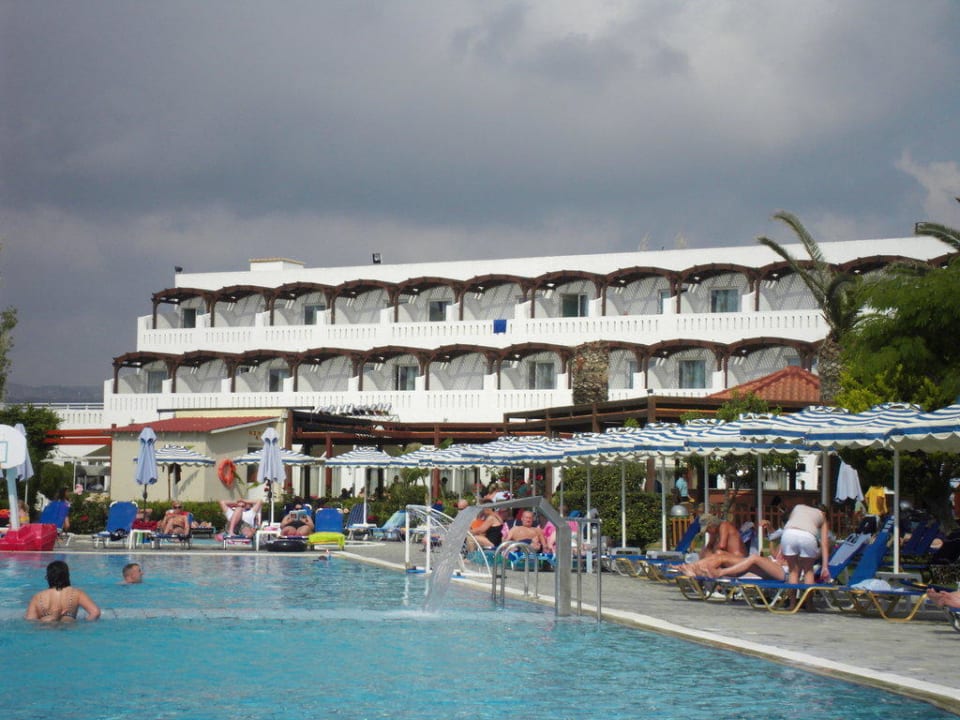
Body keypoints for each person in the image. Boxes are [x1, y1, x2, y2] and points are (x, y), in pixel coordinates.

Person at [780, 503, 831, 605]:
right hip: (807, 536)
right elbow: (824, 544)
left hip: (788, 534)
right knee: (808, 571)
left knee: (793, 571)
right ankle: (809, 605)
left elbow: (790, 523)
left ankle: (792, 605)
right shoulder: (822, 517)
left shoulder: (798, 507)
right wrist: (825, 567)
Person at [25, 560, 100, 622]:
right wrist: (84, 624)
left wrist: (52, 617)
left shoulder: (37, 597)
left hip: (47, 627)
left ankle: (53, 618)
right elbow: (95, 612)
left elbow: (30, 620)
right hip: (68, 627)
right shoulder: (77, 593)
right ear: (67, 575)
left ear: (48, 577)